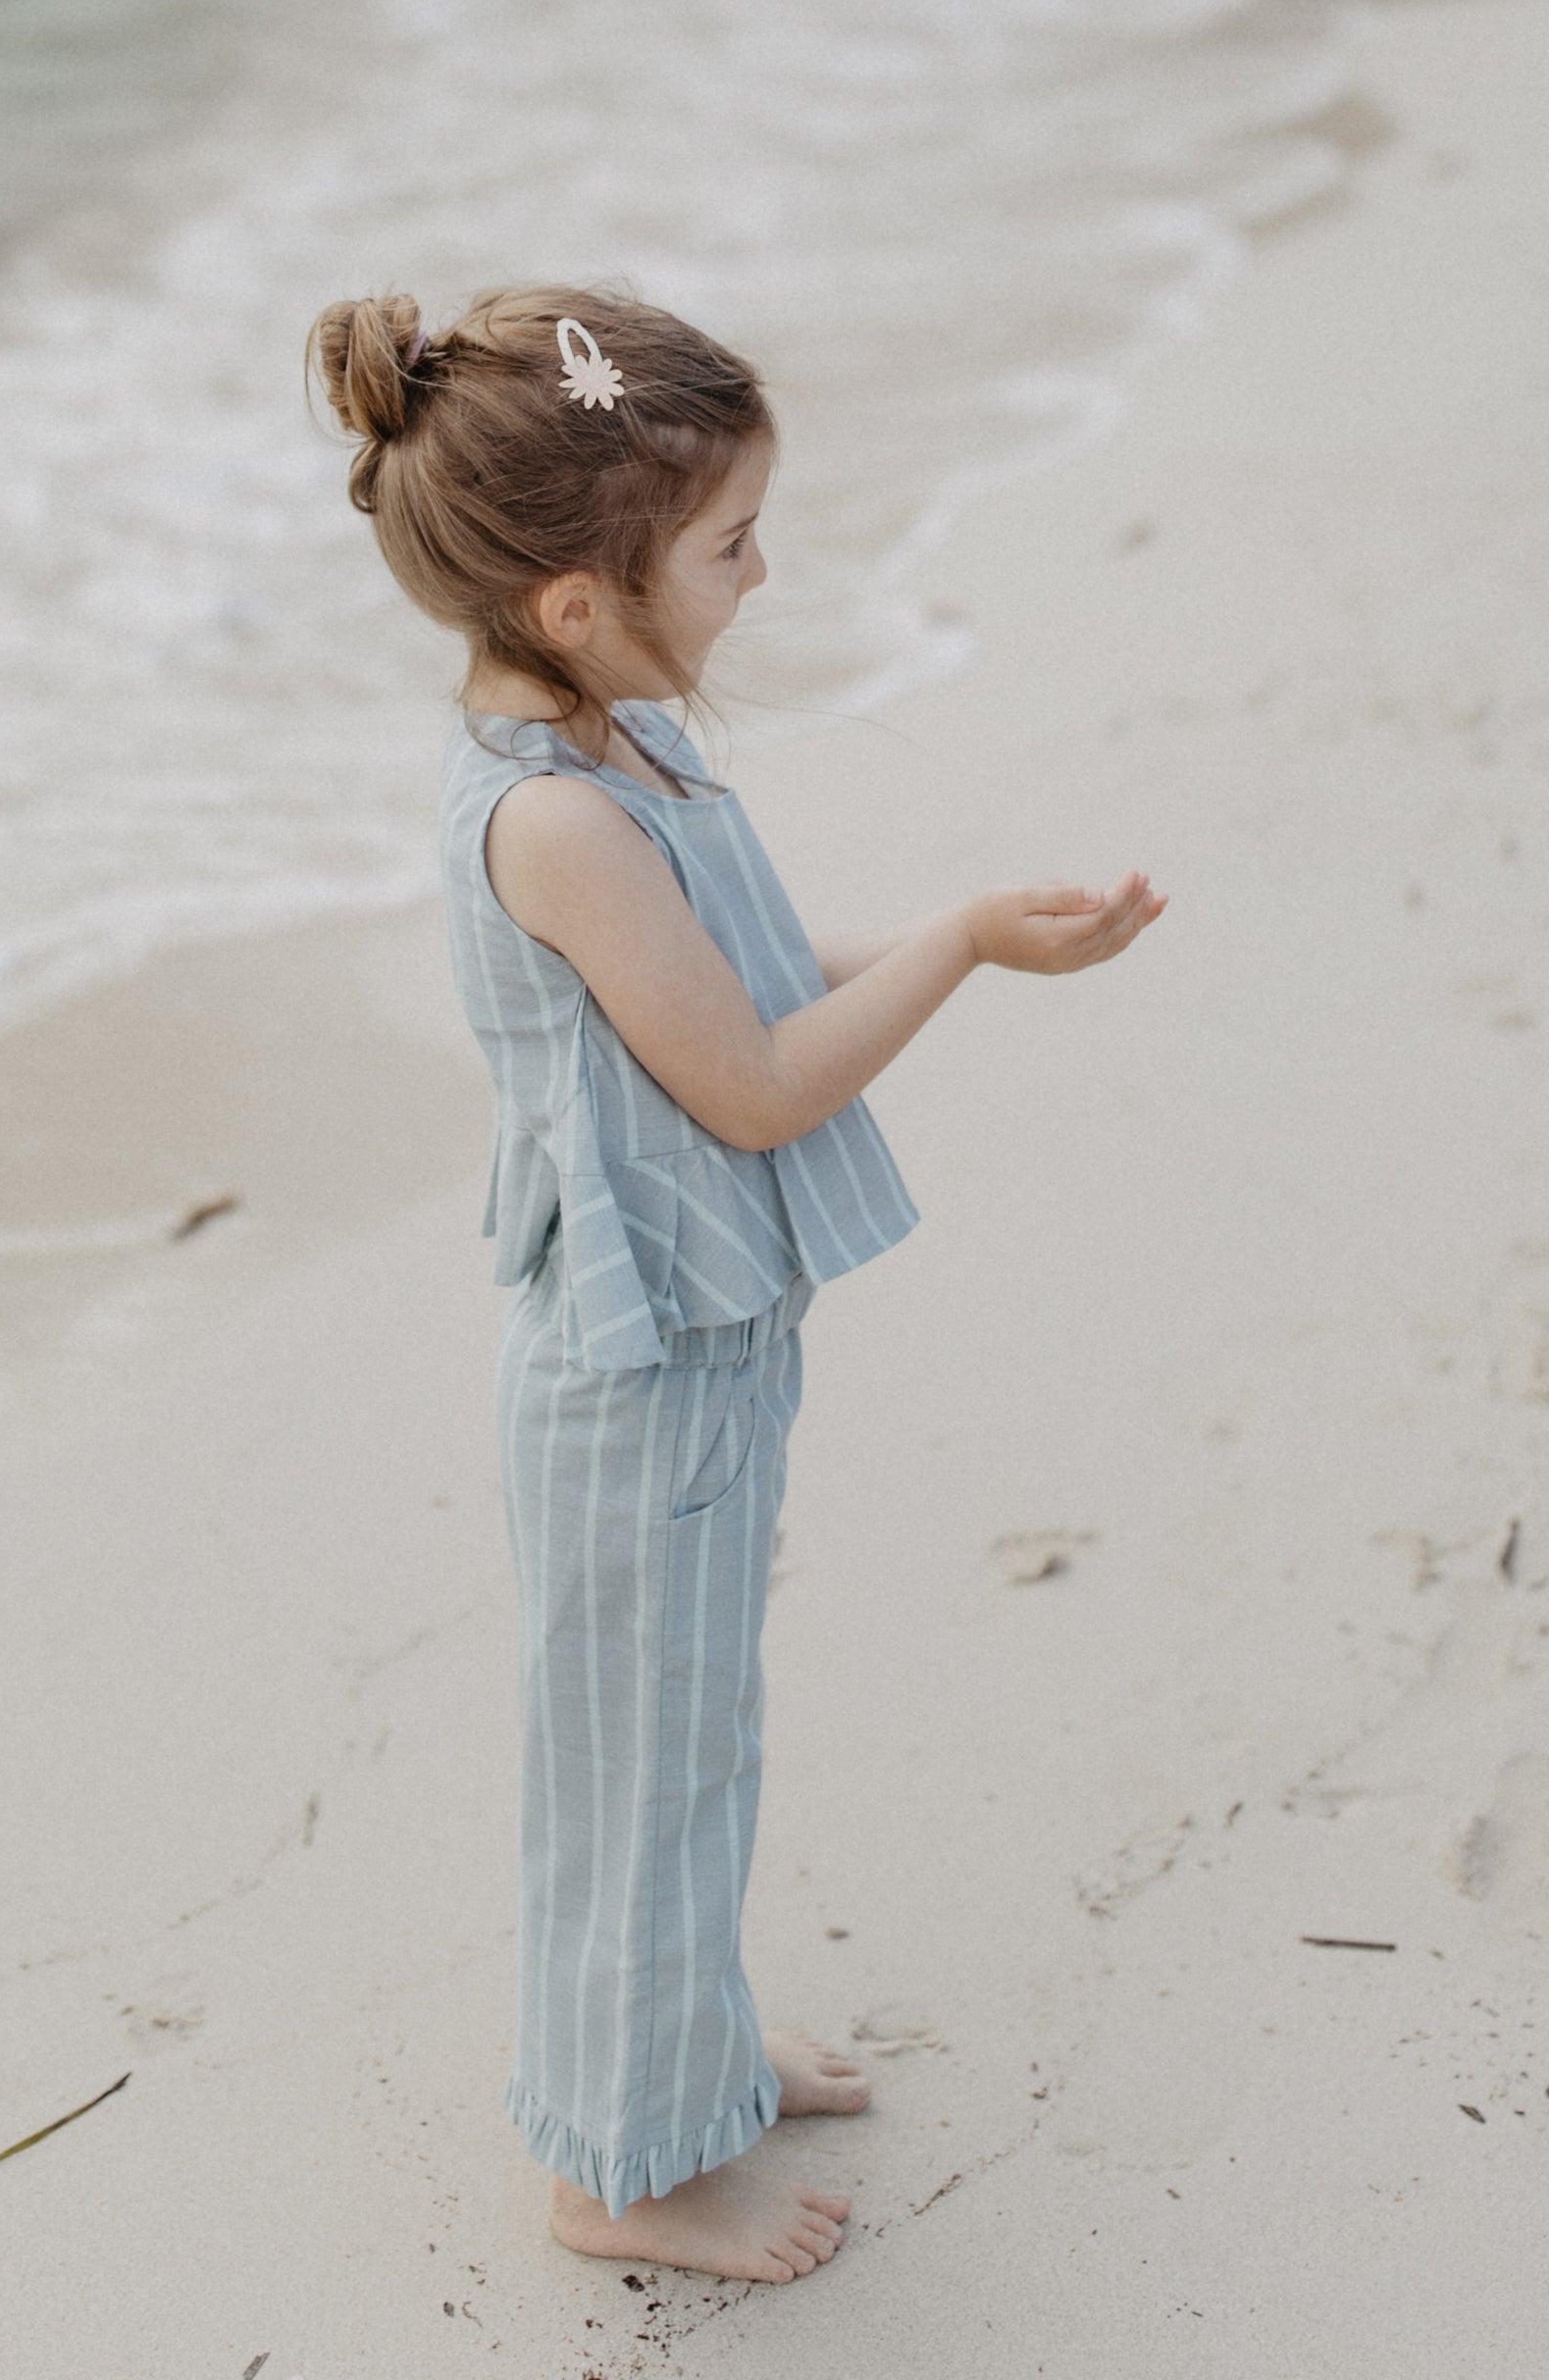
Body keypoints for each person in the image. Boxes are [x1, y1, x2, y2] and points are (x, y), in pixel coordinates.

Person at [307, 285, 1164, 2287]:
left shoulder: (615, 733)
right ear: (578, 605)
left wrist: (963, 936)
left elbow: (738, 987)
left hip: (689, 1335)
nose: (760, 568)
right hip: (628, 1368)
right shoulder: (553, 817)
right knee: (632, 1757)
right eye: (726, 543)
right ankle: (612, 2166)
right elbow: (761, 1083)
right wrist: (955, 940)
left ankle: (678, 2046)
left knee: (692, 1727)